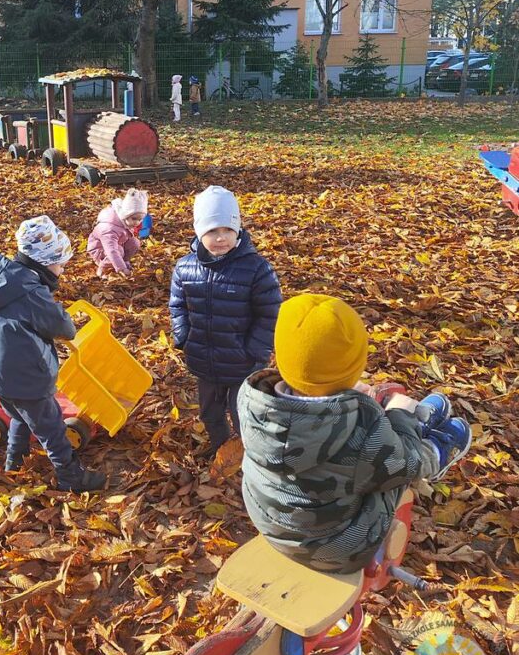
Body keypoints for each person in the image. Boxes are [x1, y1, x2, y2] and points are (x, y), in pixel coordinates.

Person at [238, 293, 472, 574]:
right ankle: (434, 449)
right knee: (399, 464)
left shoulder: (253, 398)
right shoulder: (361, 431)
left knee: (362, 461)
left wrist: (341, 390)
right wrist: (399, 415)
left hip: (271, 523)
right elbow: (405, 465)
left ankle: (412, 425)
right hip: (336, 549)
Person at [0, 215, 106, 493]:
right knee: (52, 426)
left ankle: (14, 461)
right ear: (44, 263)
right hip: (24, 375)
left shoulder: (1, 280)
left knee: (21, 416)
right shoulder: (29, 292)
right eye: (60, 264)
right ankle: (71, 476)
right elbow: (63, 327)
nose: (61, 271)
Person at [169, 186, 282, 458]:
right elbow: (177, 305)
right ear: (198, 232)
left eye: (228, 230)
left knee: (243, 414)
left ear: (238, 230)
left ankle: (249, 458)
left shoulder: (255, 268)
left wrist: (254, 350)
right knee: (210, 413)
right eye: (212, 231)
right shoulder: (185, 268)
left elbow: (270, 313)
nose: (221, 238)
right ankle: (221, 448)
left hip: (242, 362)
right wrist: (184, 337)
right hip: (205, 361)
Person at [87, 188, 148, 276]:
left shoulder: (125, 222)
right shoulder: (109, 229)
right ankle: (103, 266)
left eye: (140, 219)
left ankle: (123, 260)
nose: (137, 222)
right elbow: (111, 250)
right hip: (100, 249)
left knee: (134, 243)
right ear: (126, 215)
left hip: (118, 243)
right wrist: (122, 269)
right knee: (118, 250)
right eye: (134, 218)